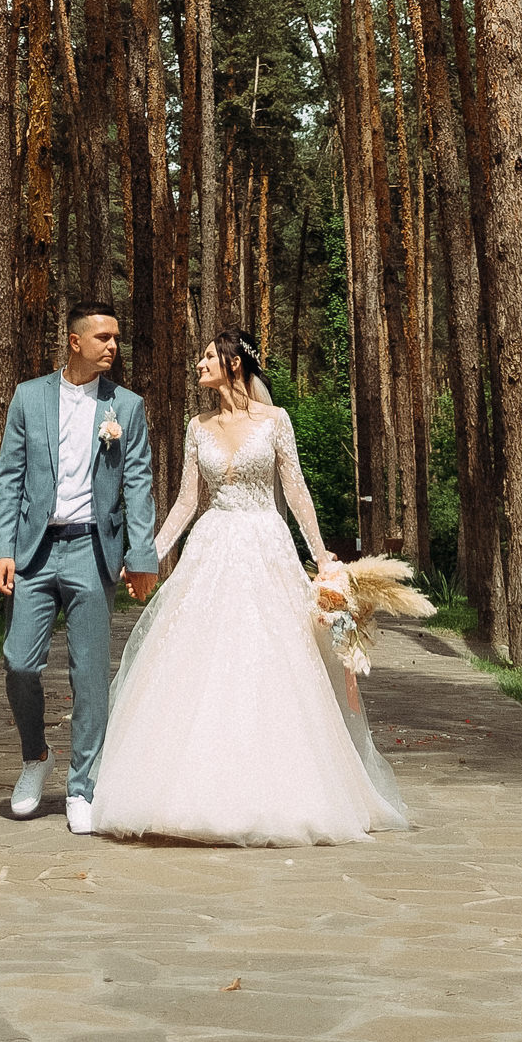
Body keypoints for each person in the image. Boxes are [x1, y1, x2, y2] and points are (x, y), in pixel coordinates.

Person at [88, 330, 411, 846]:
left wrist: (321, 554)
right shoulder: (198, 427)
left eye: (209, 356)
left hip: (266, 546)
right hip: (212, 548)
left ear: (234, 365)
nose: (199, 363)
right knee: (200, 662)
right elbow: (187, 501)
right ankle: (188, 793)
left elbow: (296, 489)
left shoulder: (275, 421)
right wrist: (147, 554)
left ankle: (284, 792)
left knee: (273, 662)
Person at [0, 301, 159, 834]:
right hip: (35, 551)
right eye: (103, 337)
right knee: (19, 662)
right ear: (75, 341)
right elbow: (8, 478)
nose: (113, 346)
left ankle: (83, 786)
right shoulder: (28, 396)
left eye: (117, 337)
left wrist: (141, 554)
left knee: (90, 675)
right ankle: (35, 756)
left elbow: (138, 483)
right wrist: (2, 547)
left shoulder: (126, 407)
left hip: (92, 549)